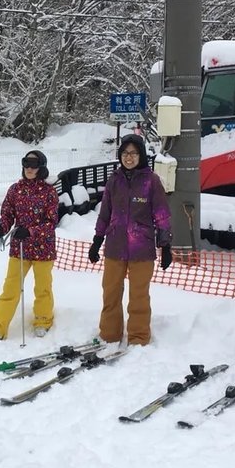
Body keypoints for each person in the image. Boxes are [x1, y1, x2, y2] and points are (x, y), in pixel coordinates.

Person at [88, 134, 172, 346]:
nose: (129, 157)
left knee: (139, 297)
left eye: (134, 153)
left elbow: (161, 214)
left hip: (141, 249)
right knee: (110, 293)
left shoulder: (151, 181)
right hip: (115, 246)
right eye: (125, 153)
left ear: (141, 156)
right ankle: (109, 335)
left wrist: (166, 245)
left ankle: (138, 337)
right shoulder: (114, 180)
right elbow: (105, 213)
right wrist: (97, 240)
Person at [0, 150, 59, 341]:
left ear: (41, 168)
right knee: (11, 287)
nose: (29, 169)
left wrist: (31, 231)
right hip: (19, 247)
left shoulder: (49, 192)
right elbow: (7, 214)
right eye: (26, 164)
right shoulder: (15, 189)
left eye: (34, 165)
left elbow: (51, 222)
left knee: (43, 288)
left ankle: (43, 320)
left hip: (42, 248)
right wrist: (2, 227)